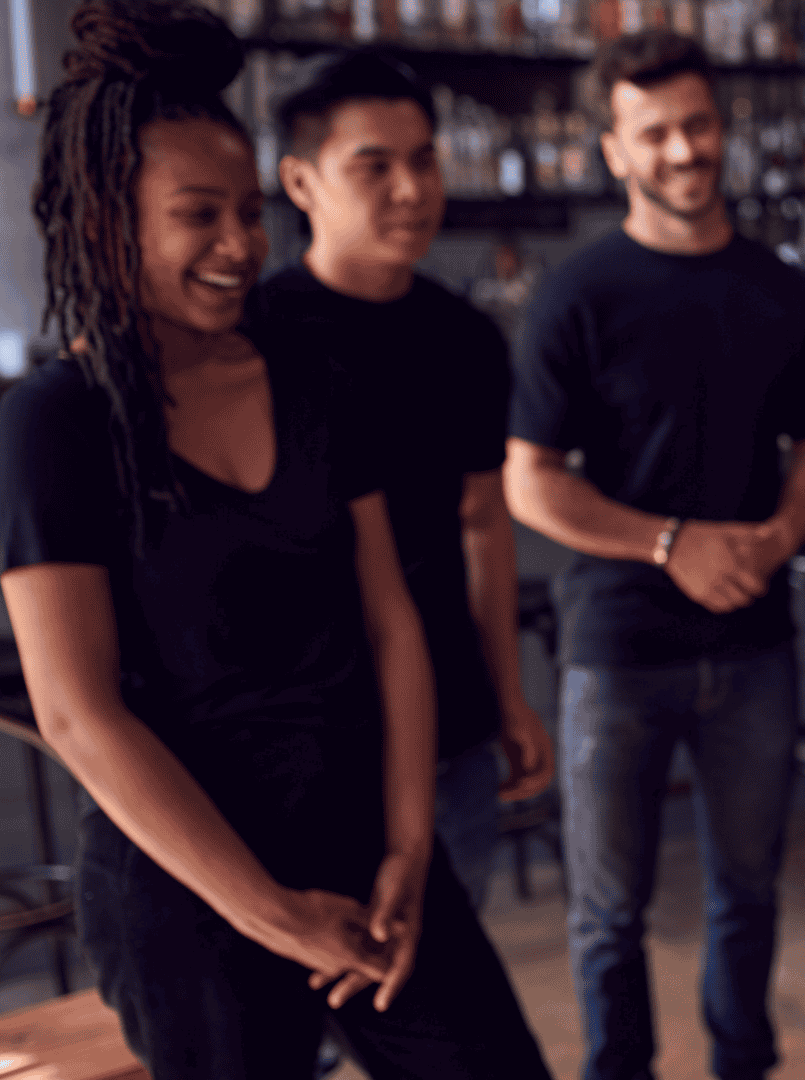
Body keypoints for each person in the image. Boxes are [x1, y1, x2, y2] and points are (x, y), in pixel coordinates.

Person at [0, 4, 550, 1076]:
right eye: (198, 216)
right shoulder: (54, 423)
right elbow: (77, 713)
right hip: (187, 889)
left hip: (367, 844)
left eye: (250, 213)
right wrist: (274, 914)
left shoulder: (310, 378)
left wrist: (407, 847)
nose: (240, 246)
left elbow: (391, 625)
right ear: (107, 220)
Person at [503, 29, 805, 1080]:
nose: (684, 149)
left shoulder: (782, 288)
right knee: (609, 910)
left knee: (748, 892)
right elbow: (531, 479)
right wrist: (669, 544)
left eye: (697, 124)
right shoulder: (576, 293)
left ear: (722, 128)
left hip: (753, 639)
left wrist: (779, 537)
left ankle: (742, 1064)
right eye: (654, 133)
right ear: (614, 151)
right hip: (617, 646)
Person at [249, 51, 554, 915]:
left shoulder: (465, 338)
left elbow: (483, 523)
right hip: (303, 733)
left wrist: (508, 697)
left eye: (423, 160)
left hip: (450, 722)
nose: (412, 190)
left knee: (446, 966)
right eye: (373, 167)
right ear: (301, 182)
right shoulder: (255, 337)